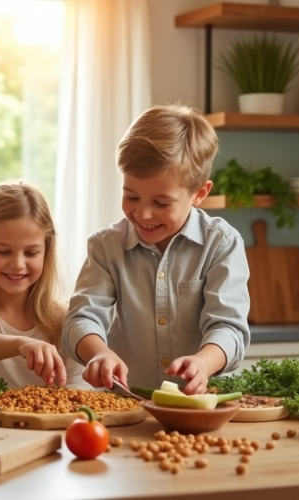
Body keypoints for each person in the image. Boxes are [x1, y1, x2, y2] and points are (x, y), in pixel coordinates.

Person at [62, 104, 250, 395]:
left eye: (161, 203)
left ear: (199, 193)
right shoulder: (106, 247)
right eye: (131, 196)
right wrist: (98, 352)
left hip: (199, 404)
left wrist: (203, 362)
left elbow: (229, 328)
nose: (143, 214)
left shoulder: (221, 244)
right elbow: (82, 319)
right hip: (127, 402)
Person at [0, 180, 89, 389]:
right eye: (3, 252)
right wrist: (20, 344)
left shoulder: (63, 320)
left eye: (31, 253)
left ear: (47, 252)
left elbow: (78, 390)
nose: (18, 264)